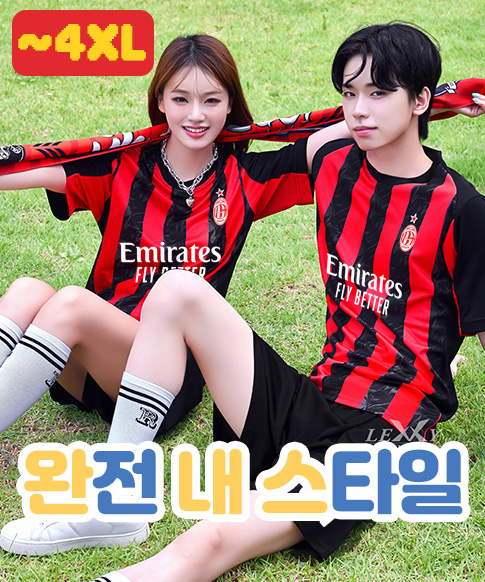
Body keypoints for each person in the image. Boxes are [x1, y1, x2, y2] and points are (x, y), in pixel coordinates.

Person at [0, 27, 483, 559]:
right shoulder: (122, 165)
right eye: (180, 99)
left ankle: (116, 502)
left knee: (73, 303)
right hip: (101, 357)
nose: (195, 114)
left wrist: (440, 102)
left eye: (211, 100)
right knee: (28, 291)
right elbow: (24, 168)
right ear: (159, 101)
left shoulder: (247, 177)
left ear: (232, 105)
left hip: (176, 371)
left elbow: (354, 126)